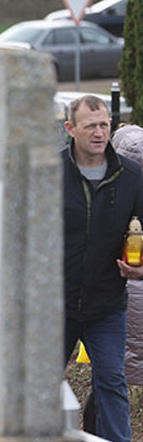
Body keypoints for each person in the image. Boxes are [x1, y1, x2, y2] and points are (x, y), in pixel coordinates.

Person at [61, 96, 143, 442]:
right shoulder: (50, 173)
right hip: (55, 305)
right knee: (37, 386)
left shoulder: (132, 176)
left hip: (107, 305)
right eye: (90, 125)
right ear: (71, 129)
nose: (99, 132)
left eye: (105, 124)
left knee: (112, 382)